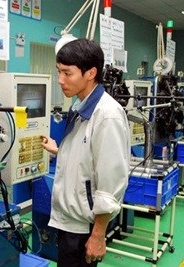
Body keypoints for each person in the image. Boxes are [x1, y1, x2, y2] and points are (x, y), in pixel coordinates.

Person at [42, 39, 130, 266]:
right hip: (68, 221)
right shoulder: (79, 105)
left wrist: (98, 235)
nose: (60, 80)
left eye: (67, 73)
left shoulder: (107, 115)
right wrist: (59, 151)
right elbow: (87, 156)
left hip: (83, 228)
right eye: (58, 72)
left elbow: (110, 184)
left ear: (91, 73)